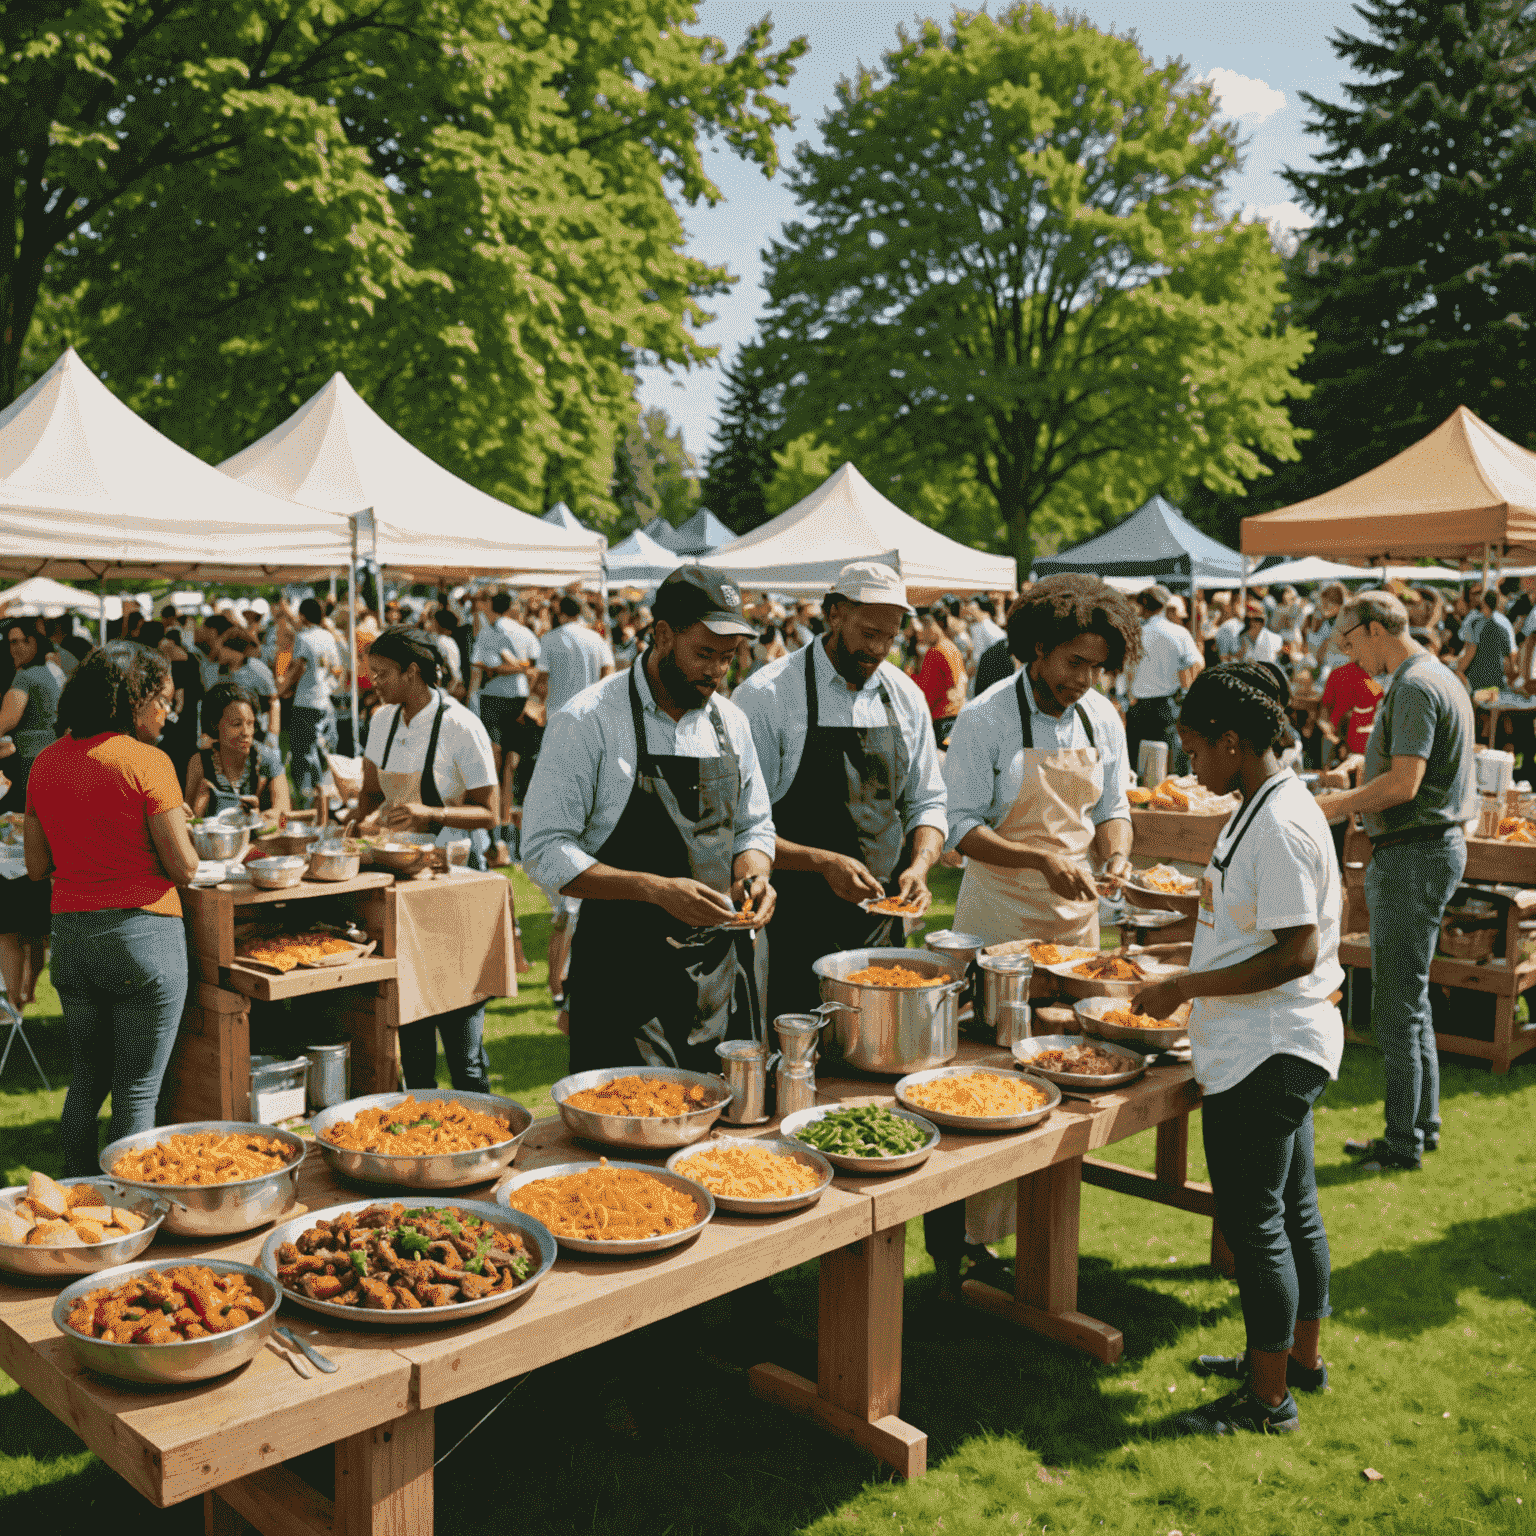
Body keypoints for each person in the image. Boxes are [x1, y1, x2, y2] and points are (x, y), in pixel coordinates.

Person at [1132, 660, 1342, 1437]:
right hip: (1276, 1040)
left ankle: (1266, 1401)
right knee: (1293, 1212)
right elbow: (1248, 918)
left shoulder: (1282, 821)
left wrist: (1183, 990)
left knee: (1258, 1224)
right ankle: (1295, 1362)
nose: (1189, 765)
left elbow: (1295, 950)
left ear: (1232, 740)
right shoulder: (1265, 799)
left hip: (1270, 1049)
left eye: (1194, 751)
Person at [930, 575, 1139, 1294]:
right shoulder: (986, 717)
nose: (1084, 679)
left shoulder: (1101, 718)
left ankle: (1038, 1237)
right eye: (1074, 663)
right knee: (989, 1085)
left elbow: (1114, 804)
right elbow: (961, 829)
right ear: (1039, 649)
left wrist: (1114, 853)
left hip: (1075, 926)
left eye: (1096, 667)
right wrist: (1038, 860)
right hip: (999, 925)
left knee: (1066, 1080)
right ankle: (956, 1241)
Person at [522, 567, 776, 1073]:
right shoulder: (588, 719)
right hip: (624, 978)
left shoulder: (733, 722)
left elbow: (753, 824)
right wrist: (657, 891)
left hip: (718, 972)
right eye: (704, 654)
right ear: (662, 635)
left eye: (727, 658)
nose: (716, 672)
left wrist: (755, 874)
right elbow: (544, 850)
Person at [734, 560, 948, 1021]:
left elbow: (927, 801)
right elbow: (738, 827)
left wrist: (921, 863)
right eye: (868, 633)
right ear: (834, 614)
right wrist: (822, 862)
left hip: (882, 920)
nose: (878, 650)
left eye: (889, 638)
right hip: (793, 923)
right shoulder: (768, 695)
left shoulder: (905, 696)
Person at [24, 643, 199, 1175]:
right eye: (162, 701)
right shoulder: (149, 761)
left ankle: (76, 1201)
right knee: (137, 1092)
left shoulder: (45, 762)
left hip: (74, 942)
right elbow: (185, 867)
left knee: (87, 1081)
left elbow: (36, 866)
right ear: (134, 700)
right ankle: (131, 1211)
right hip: (143, 938)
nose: (167, 712)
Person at [1314, 590, 1474, 1171]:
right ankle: (1421, 1127)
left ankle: (1402, 1142)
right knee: (1413, 1001)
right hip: (1426, 849)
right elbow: (1409, 766)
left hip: (1413, 853)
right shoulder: (1435, 675)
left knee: (1397, 1007)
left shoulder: (1412, 685)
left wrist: (1335, 805)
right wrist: (1358, 770)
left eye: (1351, 642)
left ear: (1378, 629)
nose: (1349, 657)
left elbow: (1405, 785)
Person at [346, 627, 501, 1091]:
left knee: (461, 1033)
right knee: (411, 1026)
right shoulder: (382, 721)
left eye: (383, 673)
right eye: (372, 672)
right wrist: (349, 829)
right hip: (401, 886)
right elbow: (371, 793)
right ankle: (420, 1140)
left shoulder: (460, 724)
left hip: (452, 884)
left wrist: (429, 811)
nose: (374, 681)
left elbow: (490, 811)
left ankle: (482, 1127)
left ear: (412, 672)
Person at [470, 590, 541, 866]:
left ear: (490, 605)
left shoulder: (489, 632)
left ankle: (497, 831)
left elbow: (483, 664)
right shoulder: (523, 631)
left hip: (495, 700)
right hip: (519, 698)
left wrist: (506, 668)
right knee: (511, 765)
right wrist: (521, 668)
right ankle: (504, 830)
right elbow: (534, 662)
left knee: (496, 764)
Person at [1126, 585, 1202, 777]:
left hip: (1139, 706)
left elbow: (1125, 669)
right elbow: (1198, 663)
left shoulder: (1133, 634)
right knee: (1171, 764)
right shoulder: (1178, 632)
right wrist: (1185, 687)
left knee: (1137, 765)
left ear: (1142, 606)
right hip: (1167, 705)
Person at [185, 681, 291, 818]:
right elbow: (189, 819)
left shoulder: (267, 760)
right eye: (236, 724)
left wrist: (259, 818)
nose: (246, 732)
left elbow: (284, 817)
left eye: (250, 723)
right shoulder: (200, 763)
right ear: (215, 724)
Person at [277, 598, 340, 805]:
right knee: (322, 753)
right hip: (325, 702)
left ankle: (307, 802)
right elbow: (336, 668)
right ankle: (325, 801)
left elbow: (298, 667)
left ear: (303, 615)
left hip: (306, 702)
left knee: (303, 755)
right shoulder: (327, 636)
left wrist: (282, 689)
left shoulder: (303, 638)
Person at [0, 618, 62, 815]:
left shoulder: (25, 676)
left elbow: (6, 721)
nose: (18, 647)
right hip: (52, 756)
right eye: (13, 642)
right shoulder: (49, 671)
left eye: (25, 640)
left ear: (36, 641)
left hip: (28, 761)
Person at [536, 595, 616, 717]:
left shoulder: (548, 639)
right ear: (579, 613)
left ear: (560, 613)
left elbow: (542, 681)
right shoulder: (597, 639)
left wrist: (535, 708)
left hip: (557, 713)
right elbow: (608, 675)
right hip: (589, 711)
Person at [912, 607, 966, 747]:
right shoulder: (949, 647)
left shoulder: (938, 651)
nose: (921, 632)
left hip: (943, 719)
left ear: (936, 625)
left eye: (925, 625)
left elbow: (931, 690)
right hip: (951, 717)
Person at [1458, 586, 1515, 695]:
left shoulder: (1476, 623)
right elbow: (1509, 658)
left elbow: (1471, 651)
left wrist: (1458, 670)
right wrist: (1511, 679)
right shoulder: (1504, 625)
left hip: (1477, 679)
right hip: (1496, 679)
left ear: (1483, 602)